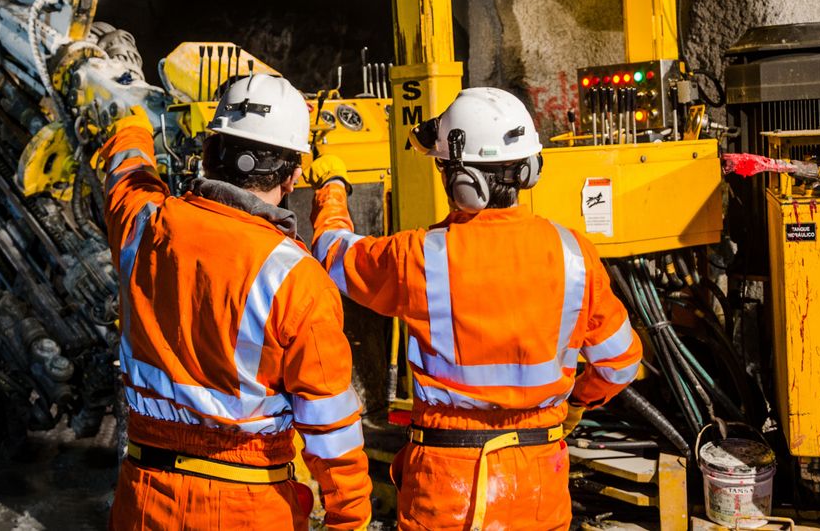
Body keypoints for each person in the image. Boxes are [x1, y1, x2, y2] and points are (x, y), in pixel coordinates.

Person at [305, 87, 642, 531]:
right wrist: (577, 401)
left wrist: (332, 190)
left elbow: (333, 254)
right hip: (539, 484)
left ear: (461, 182)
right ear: (528, 169)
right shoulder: (573, 253)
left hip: (447, 488)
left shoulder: (420, 256)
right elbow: (621, 364)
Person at [95, 73, 372, 530]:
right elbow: (331, 428)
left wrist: (131, 124)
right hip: (248, 506)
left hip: (143, 500)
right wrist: (352, 519)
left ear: (208, 152)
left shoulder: (142, 226)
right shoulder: (297, 279)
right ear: (294, 175)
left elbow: (127, 174)